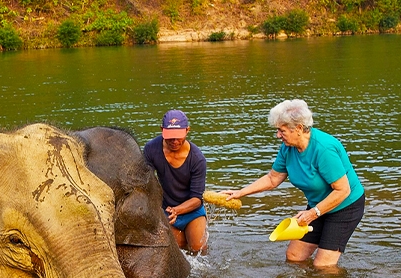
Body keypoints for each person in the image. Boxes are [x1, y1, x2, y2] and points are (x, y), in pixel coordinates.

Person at [221, 99, 365, 268]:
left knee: (323, 266)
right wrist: (240, 192)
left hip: (345, 206)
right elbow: (273, 179)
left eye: (281, 131)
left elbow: (342, 190)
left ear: (298, 128)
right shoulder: (288, 148)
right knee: (294, 256)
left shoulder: (324, 149)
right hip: (317, 206)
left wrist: (313, 213)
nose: (278, 135)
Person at [143, 109, 209, 254]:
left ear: (187, 130)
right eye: (170, 137)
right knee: (175, 252)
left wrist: (177, 210)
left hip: (192, 212)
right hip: (166, 210)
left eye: (178, 137)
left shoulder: (197, 159)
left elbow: (197, 199)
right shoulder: (151, 149)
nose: (174, 141)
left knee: (199, 252)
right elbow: (144, 182)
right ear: (162, 130)